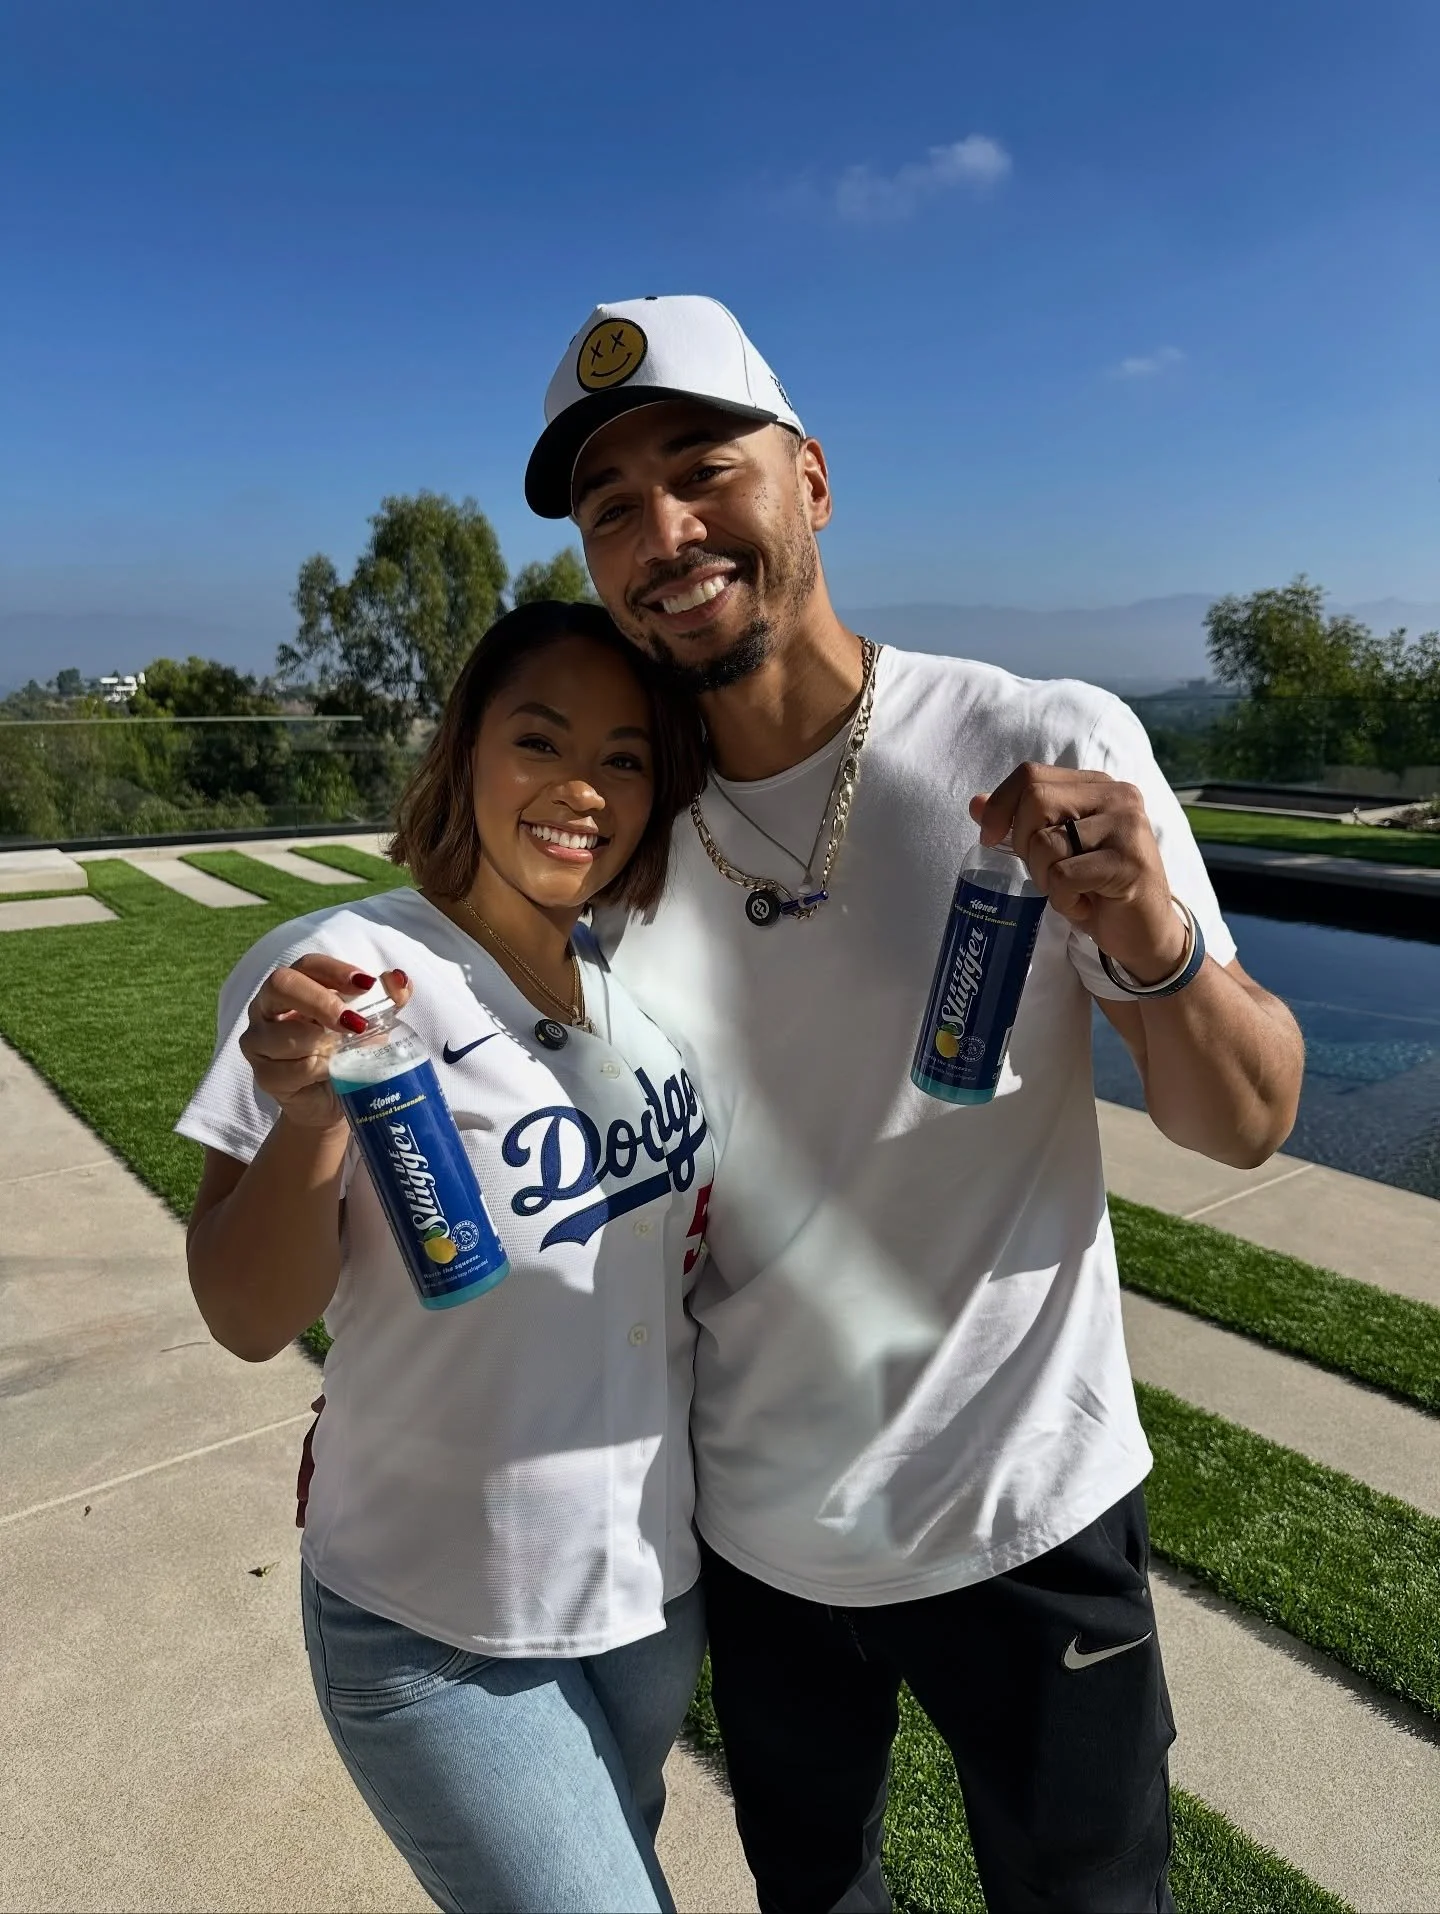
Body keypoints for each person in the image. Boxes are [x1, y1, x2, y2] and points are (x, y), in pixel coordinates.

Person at [523, 296, 1306, 1913]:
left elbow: (1247, 1120)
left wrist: (1150, 939)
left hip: (1029, 1510)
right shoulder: (618, 833)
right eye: (612, 509)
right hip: (756, 1539)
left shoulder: (1042, 739)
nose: (662, 532)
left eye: (700, 469)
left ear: (809, 477)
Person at [178, 600, 713, 1914]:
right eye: (540, 739)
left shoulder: (631, 990)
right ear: (466, 748)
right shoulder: (337, 972)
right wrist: (308, 1121)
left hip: (648, 1597)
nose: (582, 787)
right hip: (437, 1618)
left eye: (626, 757)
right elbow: (247, 1314)